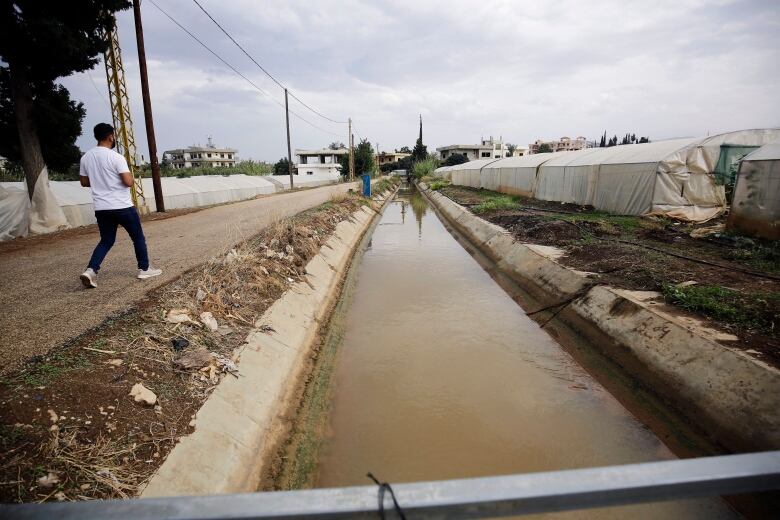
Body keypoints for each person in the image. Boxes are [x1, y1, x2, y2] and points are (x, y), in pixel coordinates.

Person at [79, 123, 161, 288]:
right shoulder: (116, 157)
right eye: (114, 136)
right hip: (122, 206)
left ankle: (91, 270)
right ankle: (144, 269)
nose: (114, 138)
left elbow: (84, 182)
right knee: (137, 237)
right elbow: (128, 182)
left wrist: (100, 181)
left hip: (102, 208)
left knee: (106, 240)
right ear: (110, 136)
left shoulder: (86, 157)